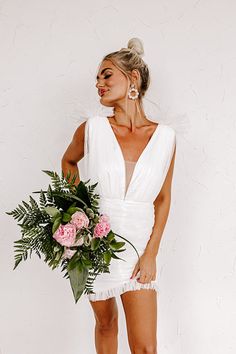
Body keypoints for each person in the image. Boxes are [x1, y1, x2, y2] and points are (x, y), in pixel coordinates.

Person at [61, 37, 176, 354]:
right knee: (106, 324)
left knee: (145, 347)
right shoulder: (93, 128)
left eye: (106, 74)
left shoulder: (165, 138)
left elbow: (163, 198)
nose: (98, 83)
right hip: (95, 240)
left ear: (133, 79)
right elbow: (68, 161)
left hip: (139, 244)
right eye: (97, 77)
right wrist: (78, 210)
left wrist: (151, 252)